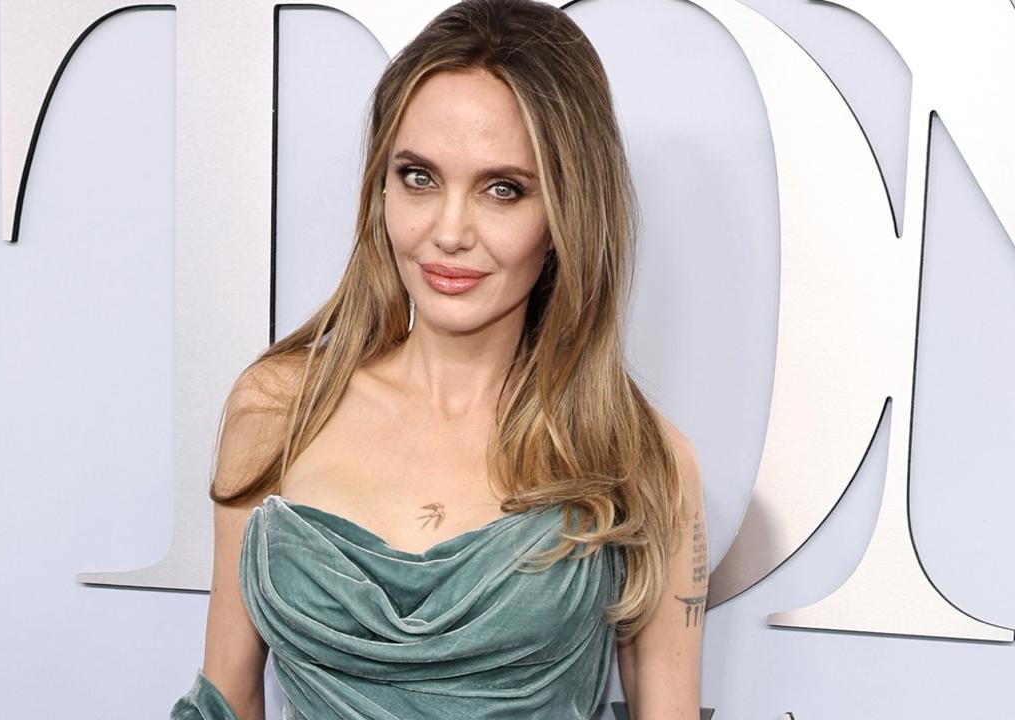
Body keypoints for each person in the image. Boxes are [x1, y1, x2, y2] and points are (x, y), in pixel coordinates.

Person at [171, 0, 707, 717]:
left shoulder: (642, 461)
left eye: (503, 189)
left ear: (566, 216)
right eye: (419, 177)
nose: (449, 232)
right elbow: (226, 700)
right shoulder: (276, 407)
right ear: (381, 188)